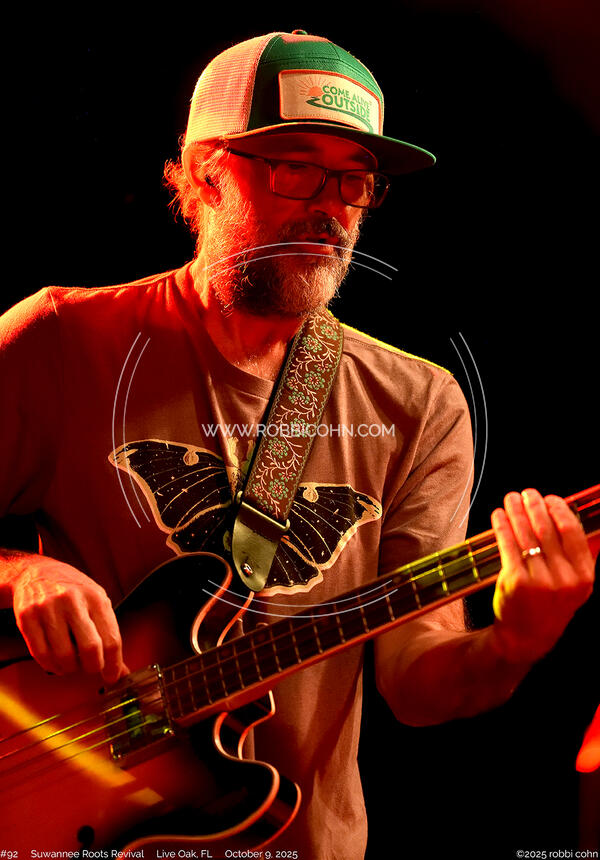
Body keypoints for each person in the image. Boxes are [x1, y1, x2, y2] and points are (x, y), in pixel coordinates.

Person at [0, 30, 594, 860]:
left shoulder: (419, 404)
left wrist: (516, 640)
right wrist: (22, 573)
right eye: (296, 167)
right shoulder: (61, 340)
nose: (332, 206)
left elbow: (417, 683)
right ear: (205, 172)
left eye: (356, 180)